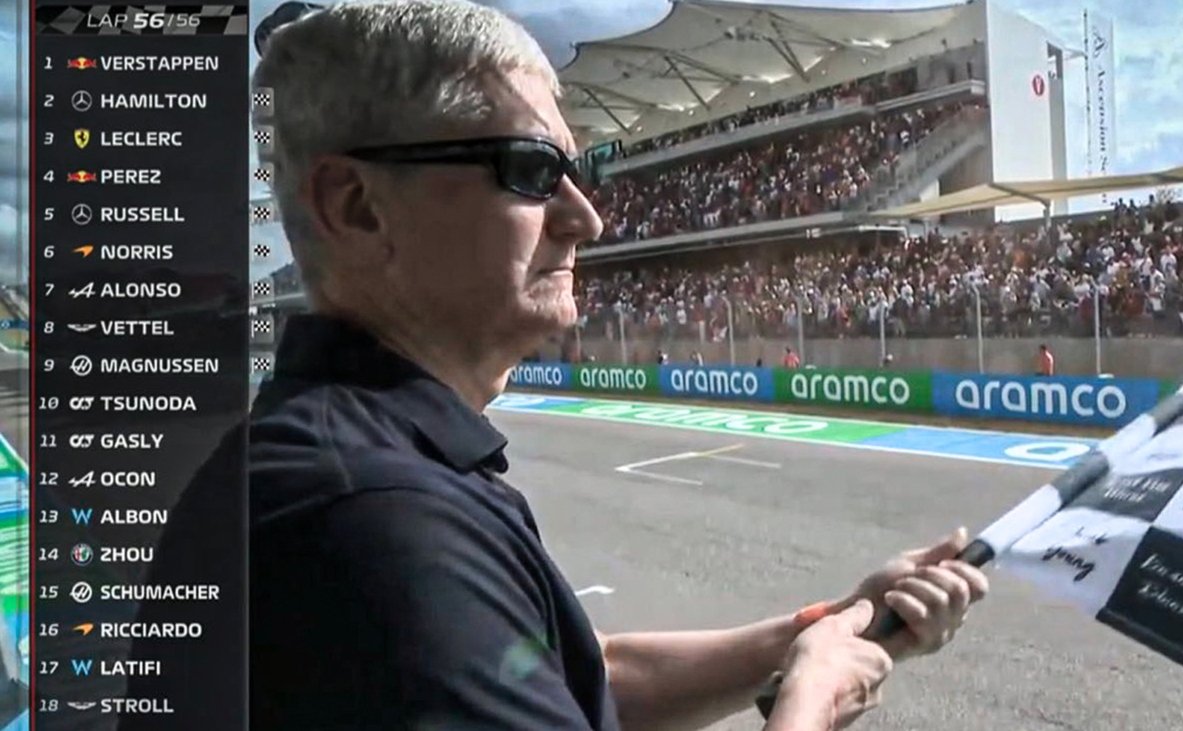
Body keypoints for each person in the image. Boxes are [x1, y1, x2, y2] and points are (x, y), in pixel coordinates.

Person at [133, 2, 987, 729]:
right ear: (355, 206)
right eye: (532, 170)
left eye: (577, 171)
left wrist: (824, 628)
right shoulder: (372, 523)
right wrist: (809, 697)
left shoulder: (362, 462)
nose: (587, 217)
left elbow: (576, 673)